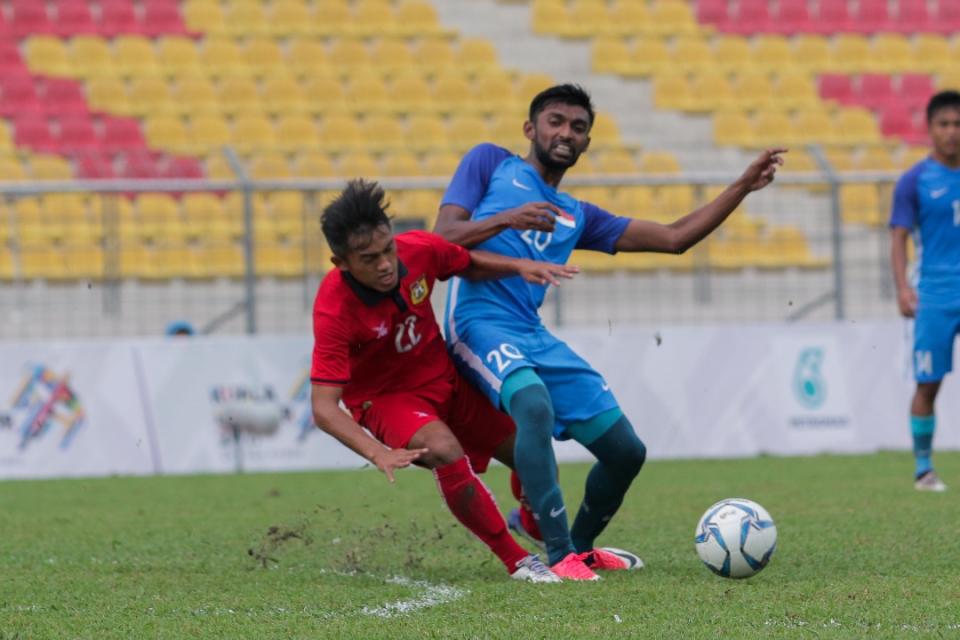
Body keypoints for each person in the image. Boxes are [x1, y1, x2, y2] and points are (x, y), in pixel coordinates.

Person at [434, 84, 785, 580]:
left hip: (530, 333)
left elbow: (674, 238)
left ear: (586, 143)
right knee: (533, 406)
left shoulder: (576, 215)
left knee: (625, 451)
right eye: (555, 121)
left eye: (578, 128)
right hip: (477, 324)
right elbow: (442, 242)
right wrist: (510, 224)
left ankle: (580, 546)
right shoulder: (490, 163)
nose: (566, 133)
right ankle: (558, 558)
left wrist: (741, 187)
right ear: (530, 129)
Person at [310, 179, 579, 583]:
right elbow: (323, 406)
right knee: (444, 449)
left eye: (388, 249)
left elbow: (465, 263)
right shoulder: (333, 309)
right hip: (386, 399)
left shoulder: (419, 249)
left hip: (447, 379)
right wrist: (377, 452)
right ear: (341, 263)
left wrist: (519, 267)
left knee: (531, 446)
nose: (385, 264)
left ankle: (531, 521)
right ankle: (518, 560)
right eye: (369, 258)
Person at [889, 90, 960, 493]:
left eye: (958, 124)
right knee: (928, 384)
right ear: (930, 129)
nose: (952, 132)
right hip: (934, 296)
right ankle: (923, 469)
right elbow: (898, 238)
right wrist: (902, 288)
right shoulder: (914, 181)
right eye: (944, 124)